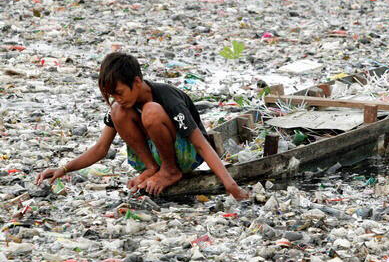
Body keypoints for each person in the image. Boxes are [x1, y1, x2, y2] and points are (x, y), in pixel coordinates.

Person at [35, 52, 248, 200]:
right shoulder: (122, 105)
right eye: (112, 95)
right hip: (155, 158)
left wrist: (230, 185)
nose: (117, 98)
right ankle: (152, 168)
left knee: (151, 111)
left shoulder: (166, 97)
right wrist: (63, 169)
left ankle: (170, 170)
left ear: (137, 82)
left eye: (119, 92)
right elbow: (101, 148)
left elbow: (201, 144)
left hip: (186, 155)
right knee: (117, 112)